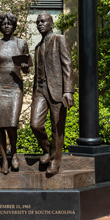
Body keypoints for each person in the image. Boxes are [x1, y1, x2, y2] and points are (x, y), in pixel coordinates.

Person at [0, 12, 31, 174]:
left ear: (14, 25)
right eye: (3, 24)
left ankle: (14, 153)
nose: (6, 26)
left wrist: (24, 67)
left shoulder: (21, 43)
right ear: (0, 26)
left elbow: (28, 67)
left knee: (12, 123)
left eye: (9, 23)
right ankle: (4, 159)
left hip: (15, 86)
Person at [30, 13, 74, 175]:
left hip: (57, 90)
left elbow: (67, 65)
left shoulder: (59, 39)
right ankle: (48, 150)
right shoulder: (37, 47)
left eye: (44, 21)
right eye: (38, 22)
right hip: (40, 91)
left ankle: (56, 160)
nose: (40, 24)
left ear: (51, 23)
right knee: (35, 124)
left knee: (57, 128)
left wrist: (68, 90)